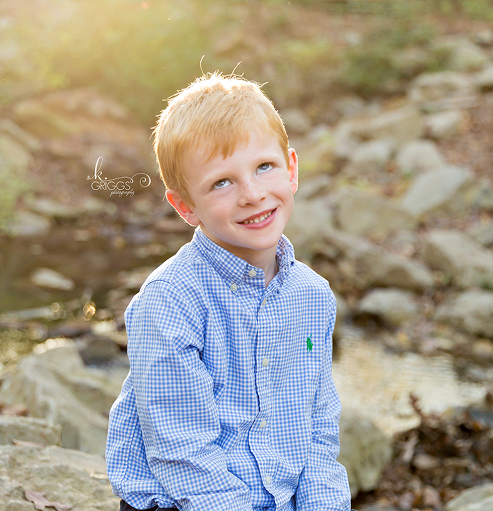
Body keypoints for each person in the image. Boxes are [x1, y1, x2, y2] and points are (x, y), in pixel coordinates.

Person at [105, 72, 351, 511]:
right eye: (222, 182)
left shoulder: (313, 296)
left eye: (264, 167)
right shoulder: (169, 301)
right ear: (185, 206)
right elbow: (183, 453)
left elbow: (317, 432)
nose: (252, 195)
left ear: (291, 168)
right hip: (182, 500)